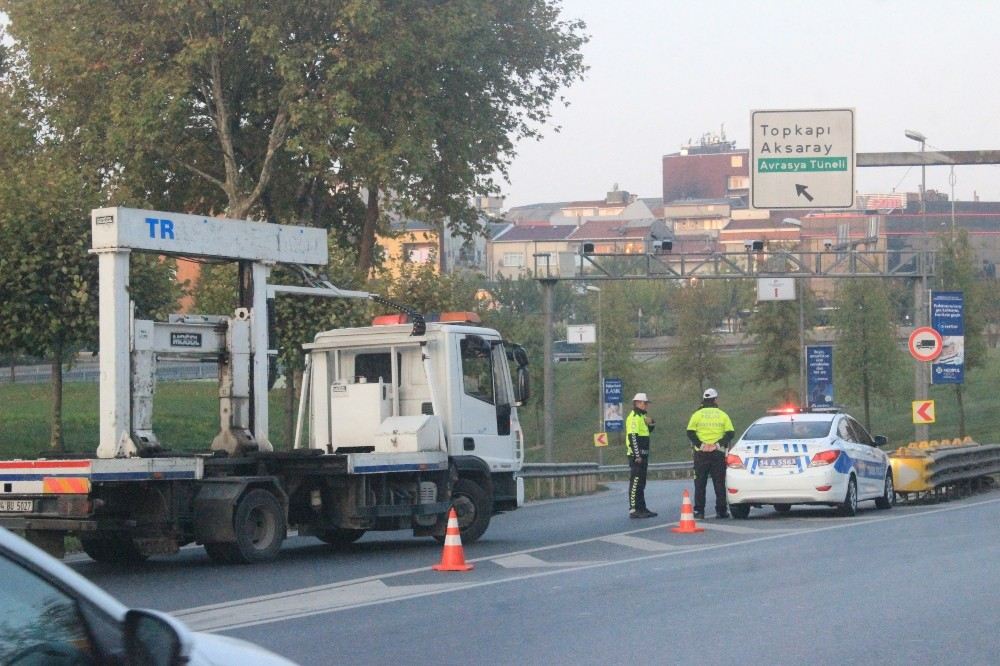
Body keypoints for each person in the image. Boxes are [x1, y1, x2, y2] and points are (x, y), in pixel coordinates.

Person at [686, 388, 735, 519]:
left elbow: (690, 432)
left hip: (701, 453)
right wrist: (717, 444)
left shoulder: (697, 415)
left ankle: (699, 511)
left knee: (700, 483)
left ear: (704, 400)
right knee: (719, 483)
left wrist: (701, 445)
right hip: (717, 453)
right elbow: (730, 433)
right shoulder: (722, 414)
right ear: (715, 399)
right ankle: (721, 510)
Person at [625, 392, 657, 519]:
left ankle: (642, 508)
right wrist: (637, 455)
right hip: (636, 456)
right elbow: (632, 437)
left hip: (644, 455)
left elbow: (648, 432)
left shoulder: (642, 417)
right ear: (637, 403)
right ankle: (633, 509)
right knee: (636, 482)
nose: (646, 406)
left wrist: (652, 422)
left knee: (642, 483)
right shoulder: (633, 417)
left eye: (646, 403)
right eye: (644, 403)